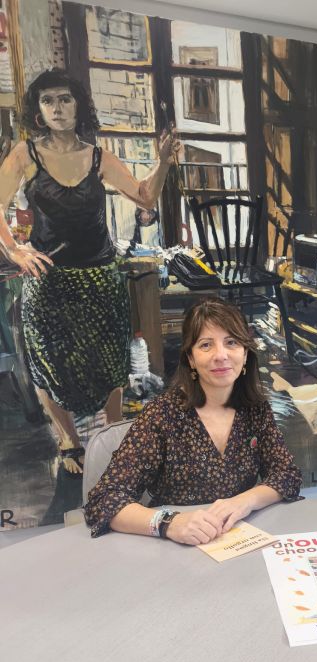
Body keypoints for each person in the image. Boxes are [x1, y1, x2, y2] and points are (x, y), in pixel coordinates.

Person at [0, 69, 179, 474]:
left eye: (65, 99)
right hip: (48, 279)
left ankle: (111, 433)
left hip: (100, 275)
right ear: (38, 110)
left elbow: (145, 196)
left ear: (79, 105)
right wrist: (14, 250)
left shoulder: (99, 156)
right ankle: (69, 441)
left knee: (110, 361)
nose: (57, 108)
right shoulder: (26, 154)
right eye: (48, 101)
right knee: (48, 362)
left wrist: (164, 161)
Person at [84, 297, 302, 544]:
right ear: (190, 358)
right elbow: (104, 499)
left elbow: (286, 475)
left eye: (231, 342)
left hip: (235, 541)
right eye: (206, 345)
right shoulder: (162, 415)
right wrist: (168, 523)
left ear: (245, 354)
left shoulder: (255, 410)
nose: (221, 355)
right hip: (173, 547)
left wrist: (245, 501)